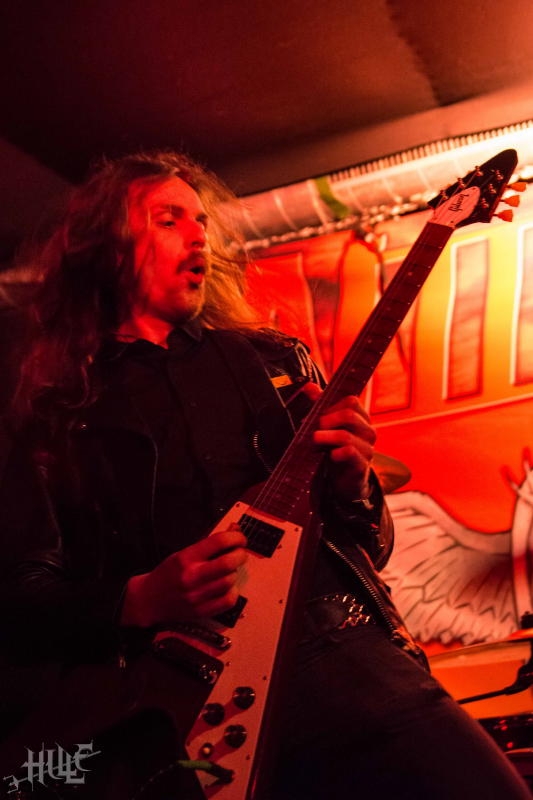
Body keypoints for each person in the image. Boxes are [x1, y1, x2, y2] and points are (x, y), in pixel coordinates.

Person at [0, 150, 529, 800]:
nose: (198, 235)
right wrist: (138, 598)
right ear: (106, 246)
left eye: (201, 220)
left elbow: (372, 545)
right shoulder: (56, 414)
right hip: (181, 700)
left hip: (342, 646)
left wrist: (355, 485)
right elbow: (22, 597)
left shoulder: (274, 360)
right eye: (169, 219)